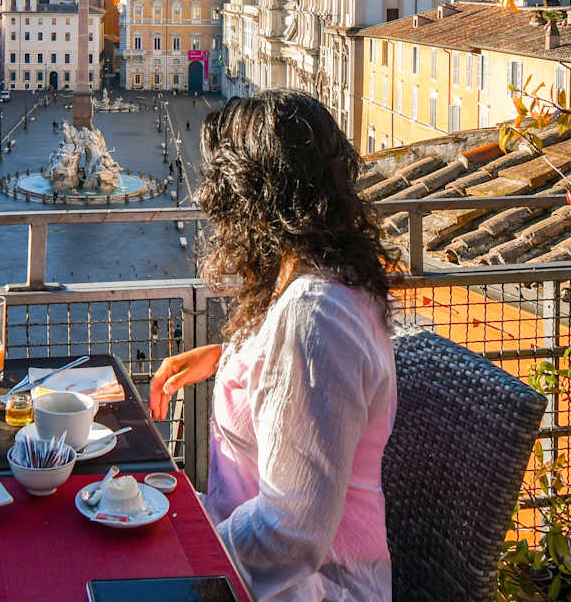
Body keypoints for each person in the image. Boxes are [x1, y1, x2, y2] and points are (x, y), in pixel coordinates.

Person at [150, 90, 396, 602]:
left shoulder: (316, 316)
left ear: (255, 199)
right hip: (260, 572)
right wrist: (231, 359)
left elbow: (292, 530)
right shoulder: (322, 284)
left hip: (308, 589)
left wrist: (190, 567)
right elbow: (309, 387)